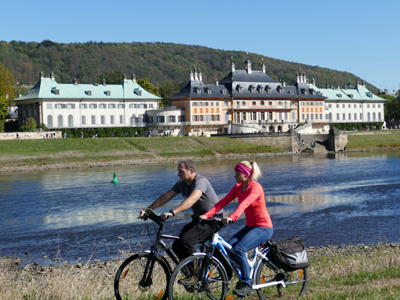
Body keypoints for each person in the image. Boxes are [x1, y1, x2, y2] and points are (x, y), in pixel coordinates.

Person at [140, 158, 224, 280]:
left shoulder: (200, 181)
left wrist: (171, 213)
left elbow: (191, 200)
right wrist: (149, 209)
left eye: (181, 171)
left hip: (212, 219)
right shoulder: (182, 183)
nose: (178, 174)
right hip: (199, 219)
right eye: (178, 171)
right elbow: (166, 196)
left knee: (186, 241)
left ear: (190, 171)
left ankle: (197, 276)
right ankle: (190, 275)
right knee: (177, 246)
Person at [200, 160, 273, 297]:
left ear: (246, 175)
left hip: (263, 227)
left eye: (237, 174)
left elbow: (244, 204)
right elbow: (223, 202)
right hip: (250, 226)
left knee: (239, 249)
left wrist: (233, 217)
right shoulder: (238, 188)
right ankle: (245, 269)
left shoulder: (255, 188)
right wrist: (206, 215)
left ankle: (247, 283)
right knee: (230, 248)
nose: (235, 176)